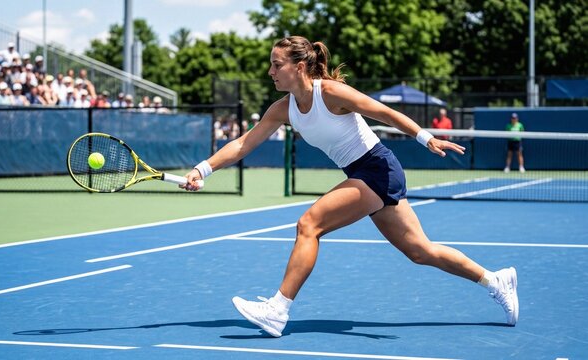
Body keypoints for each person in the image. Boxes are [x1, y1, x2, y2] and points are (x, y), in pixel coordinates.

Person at [182, 36, 519, 337]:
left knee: (309, 225)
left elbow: (383, 112)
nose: (270, 71)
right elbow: (243, 144)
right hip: (365, 173)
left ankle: (277, 310)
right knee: (420, 251)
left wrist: (425, 137)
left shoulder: (329, 93)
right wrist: (202, 169)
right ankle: (495, 280)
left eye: (276, 64)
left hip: (377, 168)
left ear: (299, 67)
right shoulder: (283, 109)